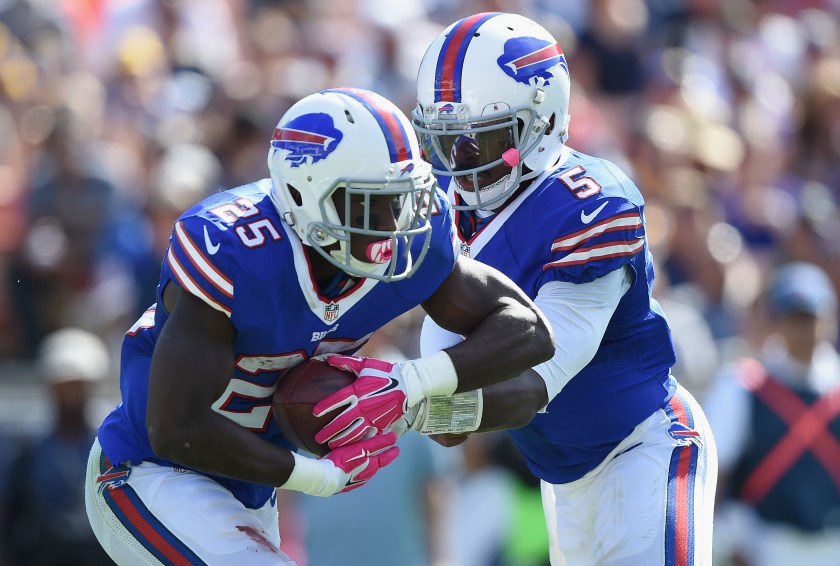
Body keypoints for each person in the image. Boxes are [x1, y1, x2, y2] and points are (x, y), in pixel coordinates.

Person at [83, 86, 554, 565]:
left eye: (399, 199)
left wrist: (410, 385)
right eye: (370, 202)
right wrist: (318, 477)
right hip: (152, 471)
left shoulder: (412, 246)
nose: (392, 224)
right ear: (302, 193)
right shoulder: (235, 251)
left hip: (251, 486)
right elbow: (174, 427)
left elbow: (527, 331)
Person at [383, 12, 716, 566]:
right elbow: (450, 419)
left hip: (642, 448)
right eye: (449, 142)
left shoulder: (591, 205)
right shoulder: (444, 210)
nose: (460, 164)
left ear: (543, 121)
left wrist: (403, 395)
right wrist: (395, 395)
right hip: (564, 479)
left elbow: (535, 384)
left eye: (480, 140)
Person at [703, 262, 840, 566]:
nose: (806, 330)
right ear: (775, 323)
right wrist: (720, 539)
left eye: (813, 318)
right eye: (795, 319)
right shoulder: (743, 385)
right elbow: (715, 472)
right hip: (764, 545)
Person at [4, 327, 112, 565]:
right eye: (63, 385)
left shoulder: (114, 442)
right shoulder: (30, 444)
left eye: (77, 384)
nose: (70, 394)